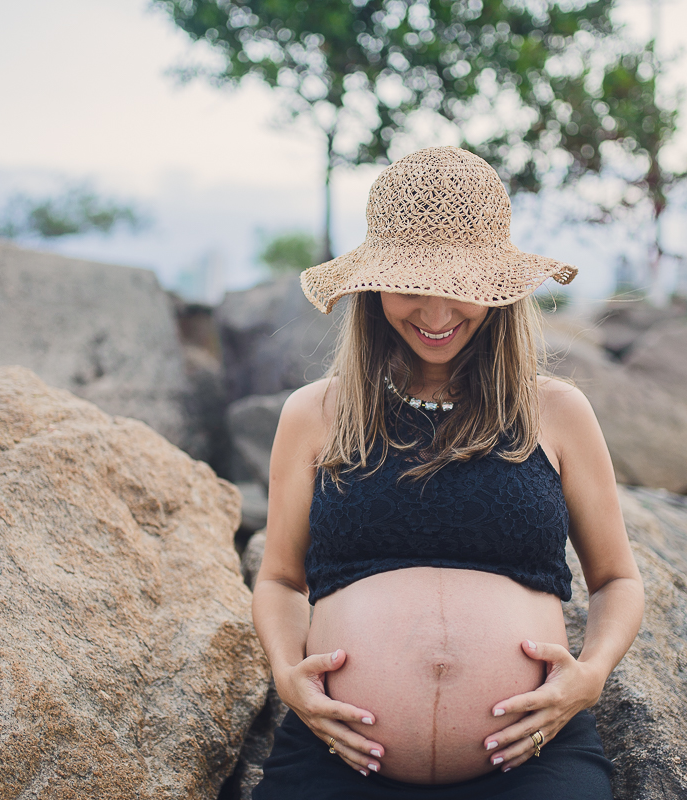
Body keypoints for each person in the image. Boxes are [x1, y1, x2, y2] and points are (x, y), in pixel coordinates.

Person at [250, 146, 643, 799]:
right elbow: (281, 581)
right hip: (335, 755)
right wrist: (289, 676)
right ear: (374, 290)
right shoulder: (315, 414)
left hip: (533, 760)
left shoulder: (557, 412)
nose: (436, 316)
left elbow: (617, 580)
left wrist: (591, 675)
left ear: (497, 290)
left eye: (459, 289)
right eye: (410, 289)